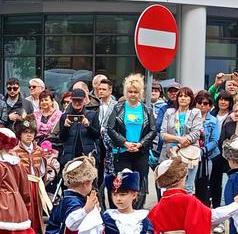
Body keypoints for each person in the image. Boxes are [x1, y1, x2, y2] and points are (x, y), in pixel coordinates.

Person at [106, 74, 156, 207]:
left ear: (140, 93)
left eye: (135, 92)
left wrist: (140, 144)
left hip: (141, 152)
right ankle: (123, 208)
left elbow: (153, 130)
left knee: (140, 183)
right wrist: (124, 143)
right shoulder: (118, 108)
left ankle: (138, 209)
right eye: (130, 92)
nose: (132, 94)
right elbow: (110, 128)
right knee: (124, 182)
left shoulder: (147, 110)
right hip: (122, 151)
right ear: (125, 92)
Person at [159, 86, 203, 193]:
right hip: (169, 152)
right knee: (168, 185)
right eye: (181, 96)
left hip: (189, 152)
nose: (183, 98)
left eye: (186, 96)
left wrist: (179, 145)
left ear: (191, 99)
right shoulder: (169, 112)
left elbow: (196, 133)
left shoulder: (195, 112)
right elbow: (163, 134)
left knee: (187, 186)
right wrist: (179, 139)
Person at [11, 115, 47, 234]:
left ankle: (34, 233)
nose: (29, 135)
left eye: (31, 132)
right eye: (26, 132)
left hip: (36, 184)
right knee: (25, 210)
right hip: (23, 185)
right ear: (20, 135)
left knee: (36, 209)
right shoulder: (14, 151)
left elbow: (42, 169)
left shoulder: (39, 150)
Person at [58, 88, 100, 168]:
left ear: (84, 100)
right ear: (71, 100)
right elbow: (62, 138)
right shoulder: (64, 116)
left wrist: (88, 126)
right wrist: (66, 127)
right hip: (70, 156)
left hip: (88, 156)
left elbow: (97, 136)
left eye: (79, 100)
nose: (77, 103)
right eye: (74, 100)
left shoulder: (92, 115)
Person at [194, 90, 220, 206]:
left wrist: (203, 150)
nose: (201, 106)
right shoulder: (191, 118)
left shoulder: (214, 121)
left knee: (205, 185)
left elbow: (215, 141)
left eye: (205, 104)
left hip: (208, 156)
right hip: (192, 155)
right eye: (199, 103)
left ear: (209, 106)